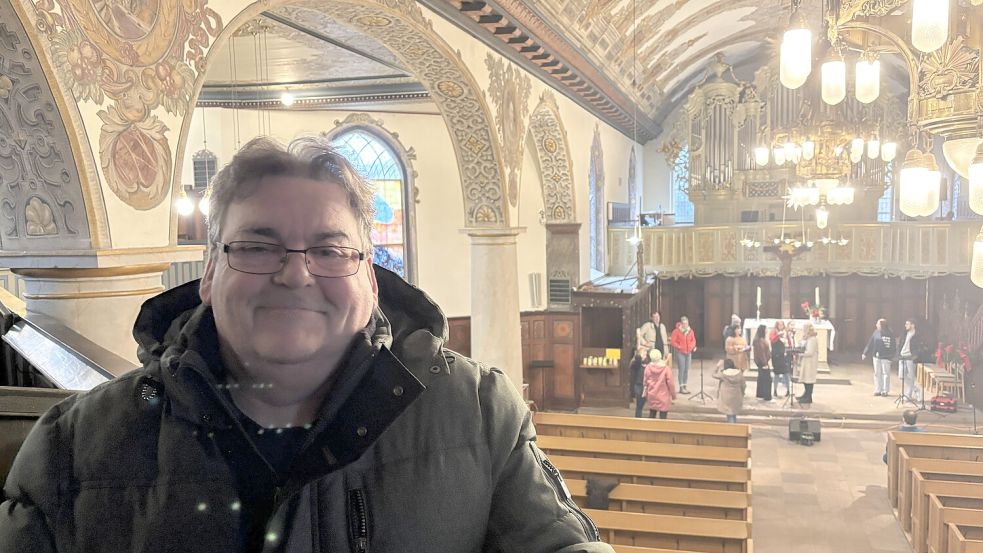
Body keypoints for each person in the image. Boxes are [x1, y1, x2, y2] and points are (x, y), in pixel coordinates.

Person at [0, 137, 613, 552]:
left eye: (329, 249)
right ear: (209, 273)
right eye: (258, 245)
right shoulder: (73, 450)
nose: (296, 273)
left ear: (369, 276)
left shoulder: (478, 414)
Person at [863, 318, 896, 397]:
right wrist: (865, 352)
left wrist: (892, 355)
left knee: (885, 374)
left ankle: (885, 390)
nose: (876, 325)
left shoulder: (890, 333)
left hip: (886, 357)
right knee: (877, 373)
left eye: (878, 324)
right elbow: (870, 343)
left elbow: (893, 346)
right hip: (876, 356)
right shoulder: (876, 332)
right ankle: (878, 389)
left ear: (882, 325)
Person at [898, 319, 928, 401]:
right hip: (902, 356)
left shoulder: (917, 335)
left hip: (910, 357)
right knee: (901, 376)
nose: (905, 325)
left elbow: (920, 347)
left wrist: (915, 355)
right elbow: (900, 343)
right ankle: (916, 389)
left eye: (907, 324)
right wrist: (898, 353)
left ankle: (908, 395)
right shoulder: (904, 333)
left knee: (911, 377)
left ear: (913, 325)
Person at [643, 349, 676, 419]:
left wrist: (645, 393)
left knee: (652, 415)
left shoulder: (648, 368)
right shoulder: (666, 369)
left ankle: (651, 429)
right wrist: (673, 395)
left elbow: (645, 382)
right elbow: (671, 384)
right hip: (663, 396)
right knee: (663, 418)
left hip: (652, 395)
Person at [670, 316, 697, 394]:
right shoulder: (676, 331)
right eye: (684, 323)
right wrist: (680, 347)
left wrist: (692, 347)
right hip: (681, 353)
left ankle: (685, 386)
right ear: (681, 323)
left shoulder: (690, 331)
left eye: (687, 323)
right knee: (681, 369)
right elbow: (673, 341)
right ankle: (681, 387)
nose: (685, 325)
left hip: (688, 353)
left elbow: (693, 340)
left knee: (686, 369)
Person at [713, 359, 745, 423]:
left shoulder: (723, 374)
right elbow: (743, 385)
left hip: (726, 396)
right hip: (736, 395)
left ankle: (732, 428)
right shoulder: (739, 374)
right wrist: (742, 393)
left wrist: (717, 366)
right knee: (733, 412)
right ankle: (733, 425)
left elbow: (713, 374)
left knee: (729, 413)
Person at [796, 323, 819, 404]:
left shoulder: (812, 339)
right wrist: (803, 340)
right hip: (806, 362)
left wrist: (800, 354)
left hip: (810, 362)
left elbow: (810, 352)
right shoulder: (807, 338)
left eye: (805, 329)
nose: (804, 330)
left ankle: (808, 397)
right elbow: (801, 345)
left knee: (809, 379)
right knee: (805, 379)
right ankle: (805, 394)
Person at [769, 321, 790, 397]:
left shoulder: (785, 332)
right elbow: (771, 339)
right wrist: (777, 335)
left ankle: (788, 390)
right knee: (776, 374)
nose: (781, 326)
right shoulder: (773, 331)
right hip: (776, 355)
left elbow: (789, 341)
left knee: (786, 373)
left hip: (783, 355)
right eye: (779, 324)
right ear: (777, 325)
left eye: (782, 324)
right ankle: (775, 390)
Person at [752, 324, 772, 401]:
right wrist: (765, 363)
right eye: (766, 329)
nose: (767, 330)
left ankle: (760, 394)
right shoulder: (759, 341)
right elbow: (761, 353)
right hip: (763, 362)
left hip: (763, 361)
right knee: (767, 380)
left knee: (761, 378)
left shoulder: (761, 339)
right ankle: (766, 396)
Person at [629, 346, 648, 418]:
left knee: (642, 403)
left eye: (646, 355)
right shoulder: (635, 363)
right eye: (643, 354)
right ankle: (638, 417)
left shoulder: (646, 362)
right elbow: (637, 362)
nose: (645, 356)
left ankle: (638, 416)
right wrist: (638, 356)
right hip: (638, 384)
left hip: (644, 384)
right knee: (639, 403)